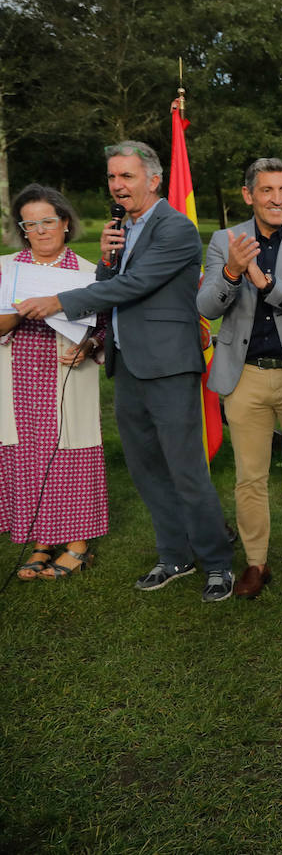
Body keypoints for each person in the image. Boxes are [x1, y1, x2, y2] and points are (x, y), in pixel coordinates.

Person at [18, 141, 236, 601]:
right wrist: (104, 256)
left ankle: (217, 562)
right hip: (128, 362)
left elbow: (136, 285)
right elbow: (109, 285)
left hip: (169, 365)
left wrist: (59, 301)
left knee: (185, 469)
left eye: (127, 177)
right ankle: (174, 555)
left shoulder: (175, 227)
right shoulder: (123, 228)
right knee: (145, 469)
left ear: (153, 180)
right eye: (113, 177)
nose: (118, 186)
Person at [197, 157, 282, 601]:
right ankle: (256, 563)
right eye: (267, 190)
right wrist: (234, 272)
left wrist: (264, 282)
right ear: (249, 194)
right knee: (249, 478)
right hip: (245, 376)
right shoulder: (224, 240)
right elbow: (208, 307)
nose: (277, 199)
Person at [1, 185, 108, 578]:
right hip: (19, 378)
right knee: (29, 455)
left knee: (71, 455)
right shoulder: (6, 267)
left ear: (65, 222)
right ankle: (41, 540)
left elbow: (105, 328)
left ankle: (78, 544)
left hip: (66, 374)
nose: (41, 230)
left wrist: (90, 345)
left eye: (49, 221)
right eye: (32, 223)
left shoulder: (86, 272)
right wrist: (22, 312)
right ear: (23, 229)